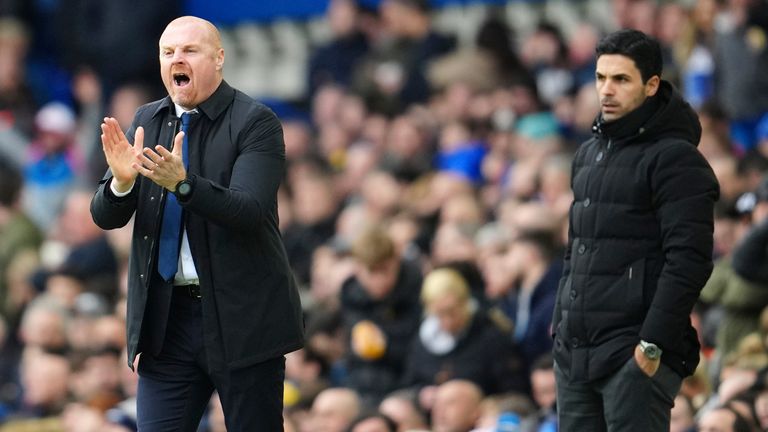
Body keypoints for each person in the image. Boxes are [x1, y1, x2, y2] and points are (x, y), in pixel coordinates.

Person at [89, 16, 304, 431]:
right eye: (168, 52)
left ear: (219, 58)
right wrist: (120, 182)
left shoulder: (255, 122)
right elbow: (105, 216)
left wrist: (183, 185)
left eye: (189, 50)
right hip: (166, 323)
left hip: (242, 319)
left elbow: (249, 210)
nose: (176, 60)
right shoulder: (146, 120)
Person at [552, 29, 719, 431]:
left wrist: (650, 345)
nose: (606, 90)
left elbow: (690, 261)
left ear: (651, 85)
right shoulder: (588, 153)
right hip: (575, 355)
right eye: (600, 78)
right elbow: (577, 249)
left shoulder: (676, 159)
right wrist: (561, 321)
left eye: (621, 79)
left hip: (634, 356)